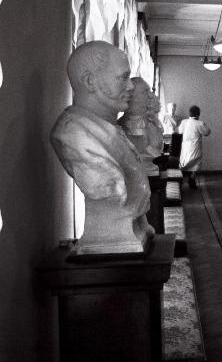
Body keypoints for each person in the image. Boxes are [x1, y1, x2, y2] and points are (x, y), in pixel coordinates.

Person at [50, 41, 154, 255]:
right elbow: (108, 185)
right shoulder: (74, 136)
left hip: (131, 235)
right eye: (123, 78)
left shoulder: (112, 131)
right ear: (90, 81)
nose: (131, 87)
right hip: (112, 241)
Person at [177, 105, 210, 189]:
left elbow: (179, 131)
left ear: (190, 114)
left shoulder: (184, 122)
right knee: (195, 164)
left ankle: (180, 180)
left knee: (184, 163)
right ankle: (192, 179)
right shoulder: (200, 123)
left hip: (185, 147)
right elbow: (207, 132)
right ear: (198, 114)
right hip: (195, 147)